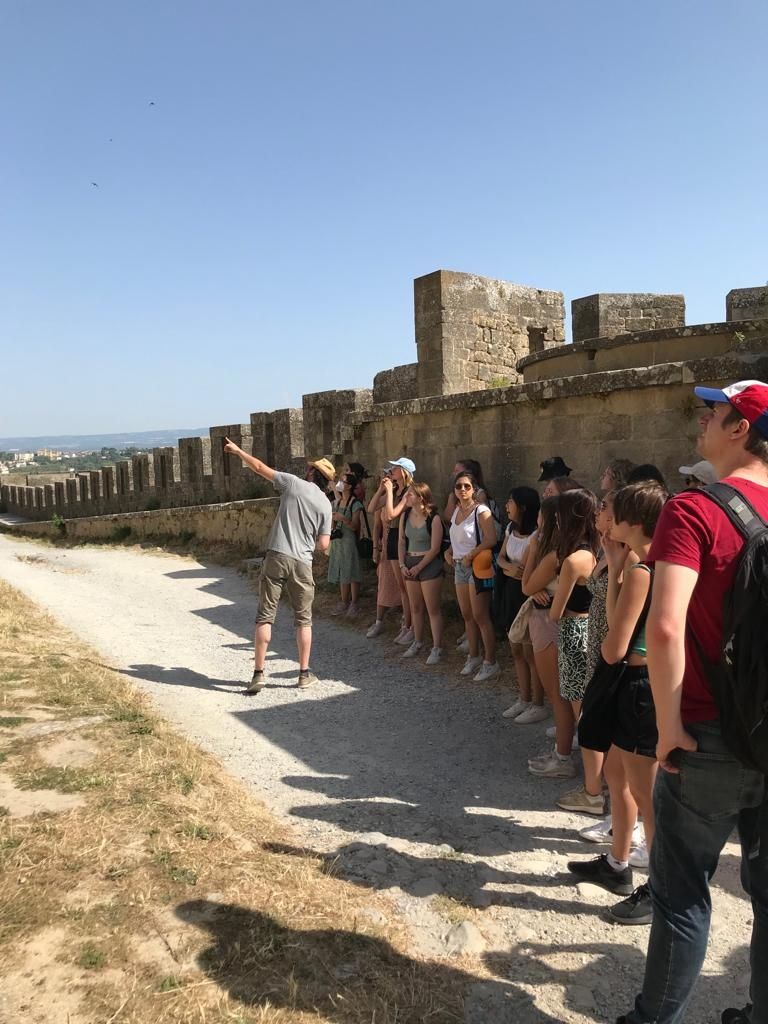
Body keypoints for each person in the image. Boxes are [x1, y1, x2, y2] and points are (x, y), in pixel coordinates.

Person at [617, 379, 768, 1024]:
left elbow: (666, 623)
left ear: (741, 428)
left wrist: (670, 725)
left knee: (682, 896)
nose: (700, 420)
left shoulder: (695, 509)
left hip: (707, 733)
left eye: (712, 411)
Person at [567, 480, 668, 927]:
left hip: (637, 683)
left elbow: (612, 645)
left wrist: (617, 572)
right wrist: (612, 563)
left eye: (615, 511)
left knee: (645, 794)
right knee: (619, 776)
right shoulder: (651, 565)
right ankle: (617, 864)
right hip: (638, 682)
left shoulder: (643, 572)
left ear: (633, 521)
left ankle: (664, 889)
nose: (606, 518)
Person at [223, 440, 332, 692]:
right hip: (303, 562)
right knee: (304, 621)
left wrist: (239, 451)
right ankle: (304, 674)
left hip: (277, 555)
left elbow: (260, 467)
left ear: (312, 473)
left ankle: (258, 674)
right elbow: (324, 544)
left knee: (265, 616)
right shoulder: (326, 505)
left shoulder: (293, 484)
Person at [496, 487, 547, 723]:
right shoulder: (510, 528)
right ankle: (523, 698)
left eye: (511, 501)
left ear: (523, 507)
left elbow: (527, 569)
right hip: (510, 590)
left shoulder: (536, 535)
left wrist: (512, 568)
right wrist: (508, 568)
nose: (507, 505)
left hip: (528, 592)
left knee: (530, 651)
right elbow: (500, 558)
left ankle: (538, 703)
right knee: (515, 646)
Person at [445, 471, 500, 681]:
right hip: (459, 565)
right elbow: (455, 539)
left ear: (474, 489)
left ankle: (490, 661)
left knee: (481, 616)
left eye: (467, 486)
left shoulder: (481, 511)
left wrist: (471, 554)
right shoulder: (456, 511)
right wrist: (448, 552)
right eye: (459, 486)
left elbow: (491, 539)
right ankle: (474, 655)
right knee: (467, 615)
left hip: (476, 564)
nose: (462, 490)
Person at [366, 458, 414, 641]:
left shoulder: (410, 492)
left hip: (404, 538)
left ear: (404, 472)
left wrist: (388, 491)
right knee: (402, 587)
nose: (391, 471)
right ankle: (406, 625)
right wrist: (381, 490)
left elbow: (393, 513)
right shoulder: (395, 491)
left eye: (395, 468)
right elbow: (371, 508)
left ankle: (409, 626)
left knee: (407, 587)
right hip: (393, 538)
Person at [398, 482, 445, 664]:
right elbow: (402, 541)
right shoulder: (405, 515)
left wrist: (419, 567)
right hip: (410, 561)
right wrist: (402, 564)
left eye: (410, 494)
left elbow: (435, 548)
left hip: (429, 564)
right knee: (415, 606)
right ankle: (417, 641)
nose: (406, 497)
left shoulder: (434, 519)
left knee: (432, 608)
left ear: (420, 497)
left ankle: (437, 647)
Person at [327, 472, 364, 618]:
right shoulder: (338, 502)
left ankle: (354, 602)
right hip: (339, 541)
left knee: (352, 570)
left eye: (343, 481)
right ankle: (344, 601)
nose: (340, 483)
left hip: (349, 541)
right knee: (342, 570)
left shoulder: (355, 504)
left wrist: (344, 519)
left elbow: (355, 526)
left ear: (349, 486)